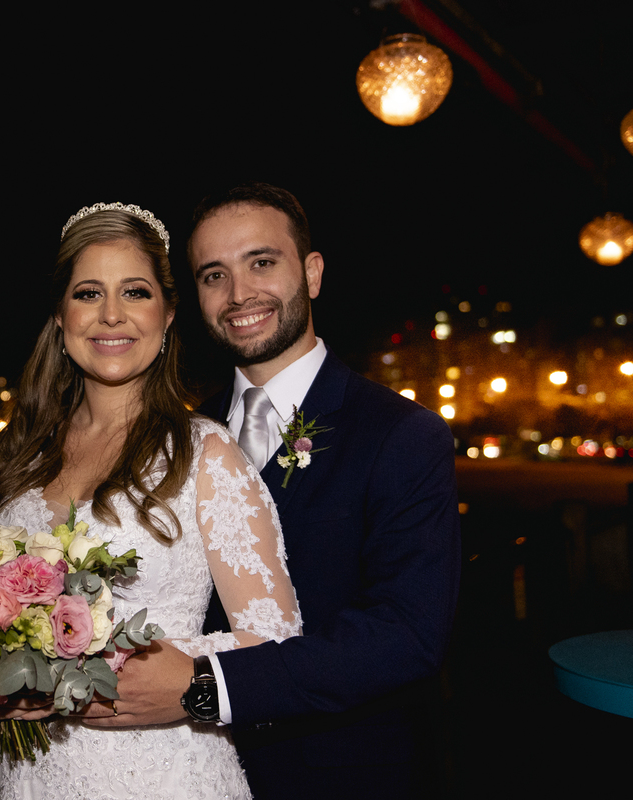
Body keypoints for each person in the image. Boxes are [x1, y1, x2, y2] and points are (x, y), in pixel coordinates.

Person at [86, 183, 461, 799]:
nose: (239, 295)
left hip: (337, 773)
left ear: (311, 273)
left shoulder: (401, 434)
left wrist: (209, 687)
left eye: (262, 262)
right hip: (176, 771)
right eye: (213, 275)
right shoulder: (175, 439)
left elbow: (408, 636)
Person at [0, 202, 303, 800]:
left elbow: (277, 642)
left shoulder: (206, 455)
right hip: (21, 775)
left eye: (135, 292)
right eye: (88, 293)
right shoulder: (12, 458)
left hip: (159, 770)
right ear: (59, 313)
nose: (111, 316)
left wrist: (169, 671)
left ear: (169, 313)